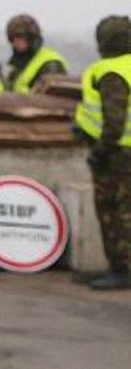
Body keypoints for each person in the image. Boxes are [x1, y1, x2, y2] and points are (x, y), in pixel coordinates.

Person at [75, 15, 131, 290]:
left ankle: (122, 269)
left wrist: (100, 150)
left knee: (114, 210)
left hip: (118, 155)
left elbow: (114, 121)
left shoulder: (112, 72)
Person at [0, 14, 68, 94]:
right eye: (12, 38)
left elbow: (51, 99)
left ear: (31, 37)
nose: (16, 41)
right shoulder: (15, 66)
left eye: (20, 36)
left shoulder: (52, 64)